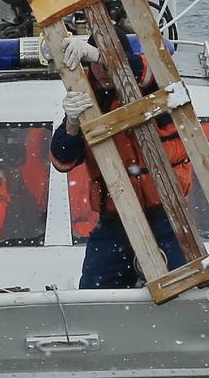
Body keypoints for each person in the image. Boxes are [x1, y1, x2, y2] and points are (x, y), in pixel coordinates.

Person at [47, 39, 192, 289]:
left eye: (106, 62)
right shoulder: (86, 101)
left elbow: (148, 69)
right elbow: (62, 161)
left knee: (185, 288)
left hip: (169, 215)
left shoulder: (156, 88)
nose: (102, 70)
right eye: (95, 64)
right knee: (93, 292)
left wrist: (102, 55)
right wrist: (71, 123)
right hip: (115, 221)